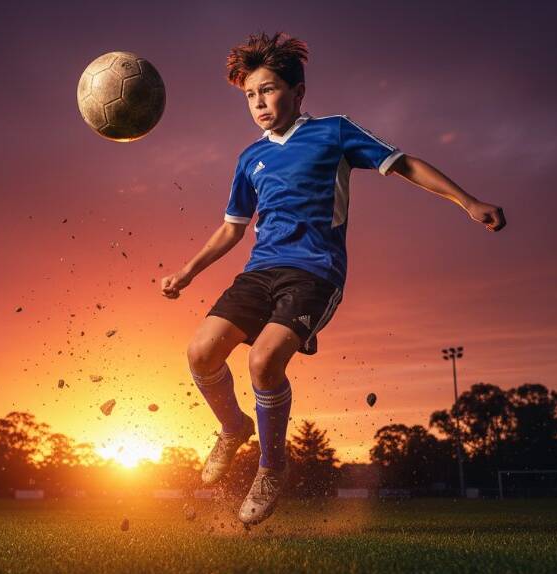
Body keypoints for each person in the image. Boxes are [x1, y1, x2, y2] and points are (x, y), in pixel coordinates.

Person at [160, 32, 506, 526]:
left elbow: (403, 163)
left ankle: (271, 468)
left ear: (298, 92)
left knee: (263, 362)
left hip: (315, 273)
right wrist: (188, 272)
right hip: (259, 272)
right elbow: (233, 227)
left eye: (269, 89)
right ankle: (233, 427)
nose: (259, 102)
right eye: (250, 95)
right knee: (200, 352)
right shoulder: (248, 159)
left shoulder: (334, 132)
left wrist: (468, 202)